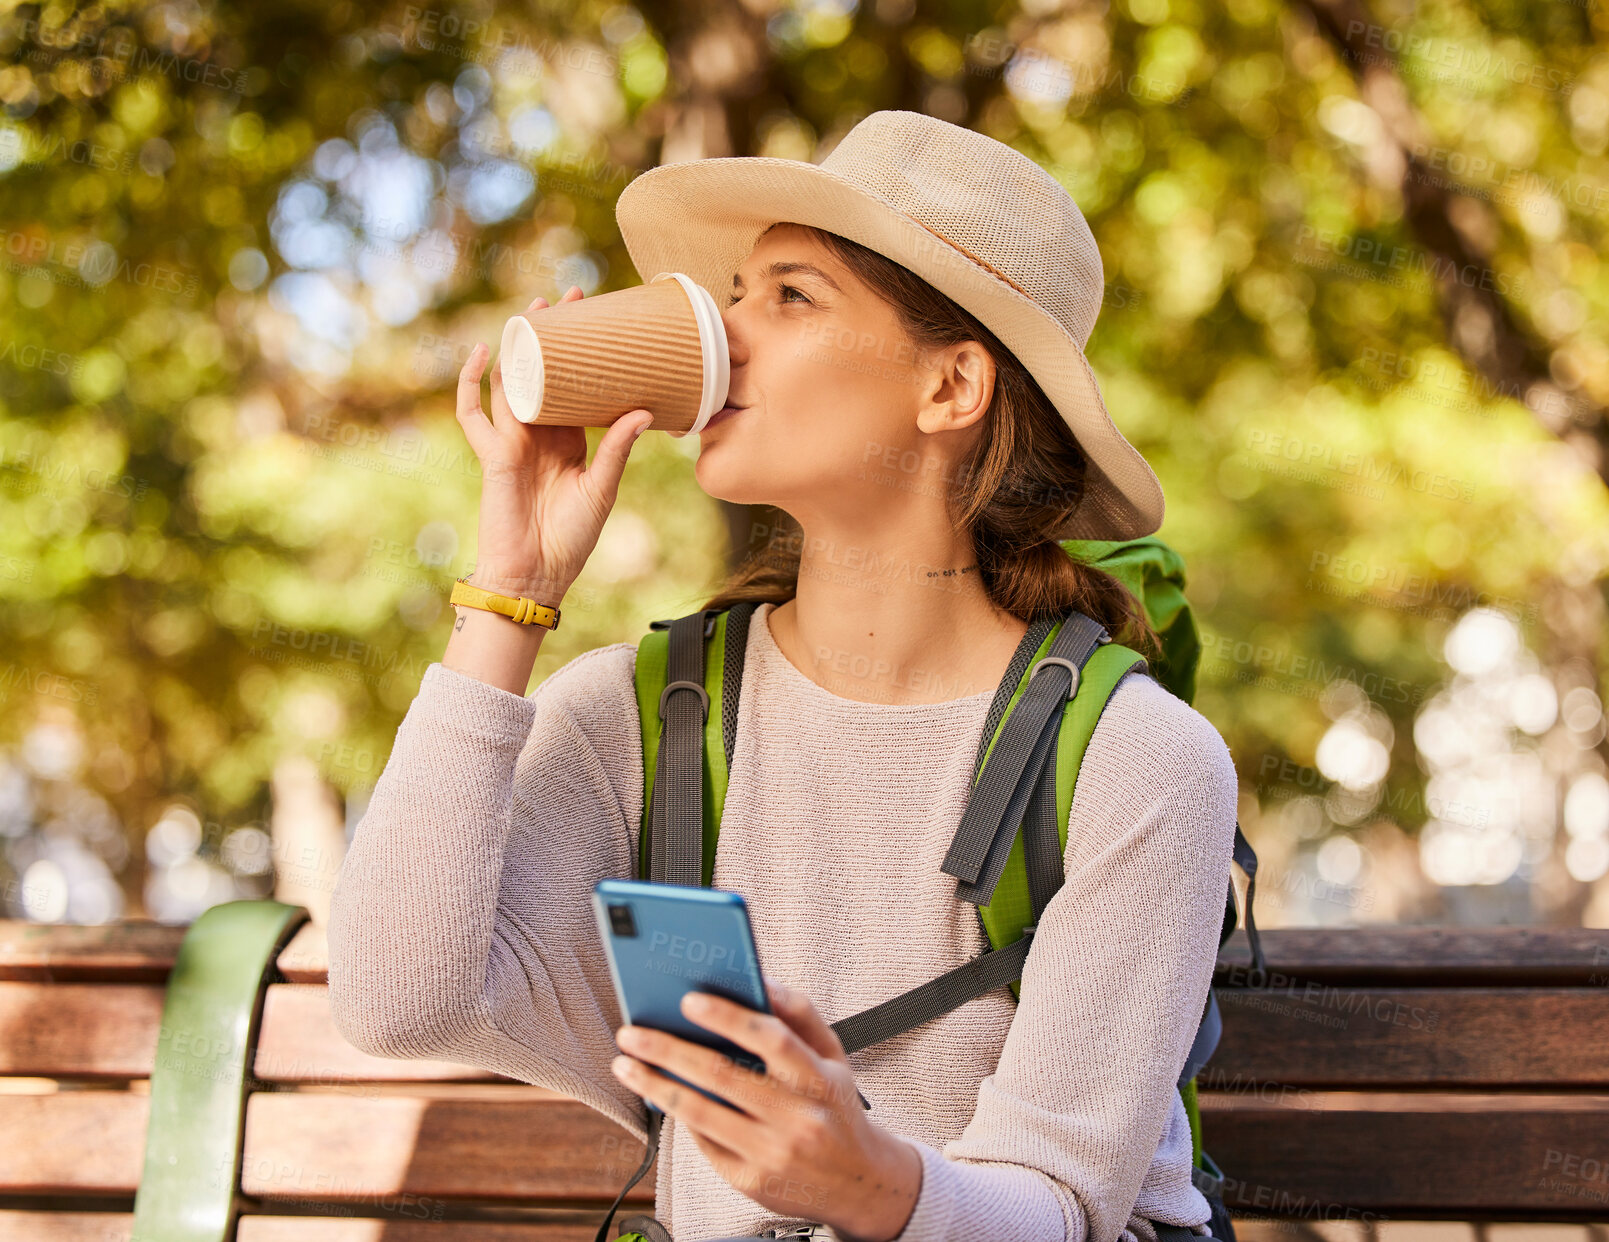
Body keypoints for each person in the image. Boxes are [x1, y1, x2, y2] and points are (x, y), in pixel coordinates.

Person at [327, 110, 1237, 1242]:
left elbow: (1064, 1209)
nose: (721, 330)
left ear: (952, 388)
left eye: (789, 295)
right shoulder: (648, 719)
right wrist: (510, 588)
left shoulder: (1132, 760)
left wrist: (868, 1184)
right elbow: (398, 1002)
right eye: (734, 291)